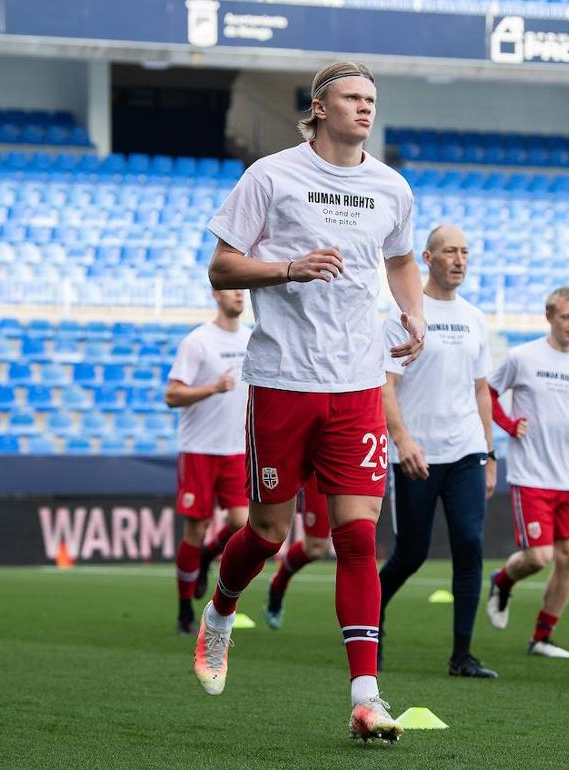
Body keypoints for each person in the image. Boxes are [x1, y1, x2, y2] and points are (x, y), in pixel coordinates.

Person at [196, 60, 425, 743]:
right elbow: (222, 265)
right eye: (353, 98)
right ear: (319, 107)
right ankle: (221, 611)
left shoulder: (391, 186)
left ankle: (366, 696)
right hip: (282, 381)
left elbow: (403, 259)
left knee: (356, 535)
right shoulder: (271, 175)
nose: (365, 109)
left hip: (357, 384)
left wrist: (412, 314)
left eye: (372, 100)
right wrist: (287, 266)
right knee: (266, 532)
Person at [377, 224, 497, 678]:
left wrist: (488, 454)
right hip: (416, 455)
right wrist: (403, 440)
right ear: (428, 257)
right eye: (450, 251)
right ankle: (373, 626)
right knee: (411, 554)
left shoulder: (475, 317)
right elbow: (386, 385)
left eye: (466, 251)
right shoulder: (405, 315)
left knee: (470, 545)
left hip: (466, 450)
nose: (460, 259)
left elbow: (482, 390)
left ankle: (462, 656)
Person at [485, 287, 569, 660]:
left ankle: (543, 636)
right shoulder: (522, 357)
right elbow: (488, 394)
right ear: (550, 317)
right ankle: (502, 580)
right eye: (566, 317)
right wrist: (509, 424)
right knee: (538, 557)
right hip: (531, 475)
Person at [165, 289, 251, 635]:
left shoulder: (253, 338)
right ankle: (185, 608)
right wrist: (212, 389)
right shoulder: (197, 341)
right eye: (232, 289)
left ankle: (204, 559)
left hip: (238, 449)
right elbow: (172, 394)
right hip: (199, 449)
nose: (239, 296)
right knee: (196, 529)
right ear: (217, 294)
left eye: (242, 291)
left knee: (242, 524)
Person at [264, 476, 330, 630]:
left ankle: (361, 629)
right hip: (322, 463)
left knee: (356, 540)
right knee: (315, 547)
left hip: (358, 459)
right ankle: (279, 583)